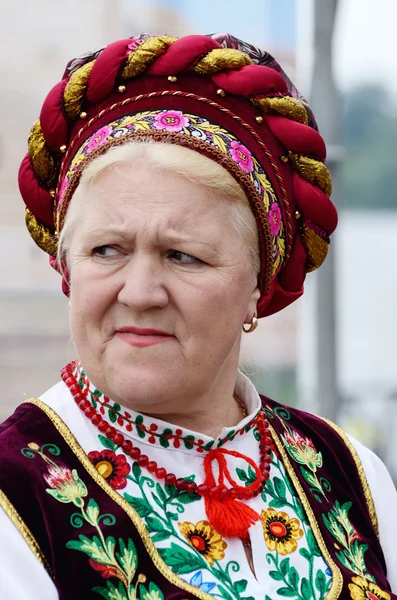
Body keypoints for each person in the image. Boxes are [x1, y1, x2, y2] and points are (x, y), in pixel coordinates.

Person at [0, 32, 396, 600]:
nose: (139, 292)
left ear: (256, 286)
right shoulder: (17, 496)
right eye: (106, 250)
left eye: (182, 256)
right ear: (66, 268)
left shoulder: (349, 473)